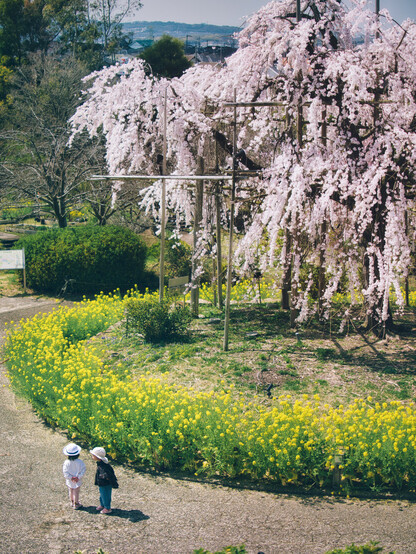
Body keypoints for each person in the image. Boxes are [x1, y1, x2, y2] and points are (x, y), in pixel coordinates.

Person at [90, 447, 119, 514]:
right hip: (102, 483)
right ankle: (102, 504)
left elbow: (106, 474)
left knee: (105, 495)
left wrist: (104, 478)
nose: (92, 457)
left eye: (93, 455)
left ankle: (107, 508)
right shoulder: (102, 463)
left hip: (105, 483)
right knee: (102, 494)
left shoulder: (103, 465)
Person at [62, 443, 86, 509]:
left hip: (70, 480)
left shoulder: (66, 462)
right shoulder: (80, 462)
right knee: (76, 491)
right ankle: (76, 503)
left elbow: (65, 471)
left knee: (71, 490)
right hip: (78, 480)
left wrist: (71, 477)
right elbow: (83, 470)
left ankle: (72, 502)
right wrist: (78, 477)